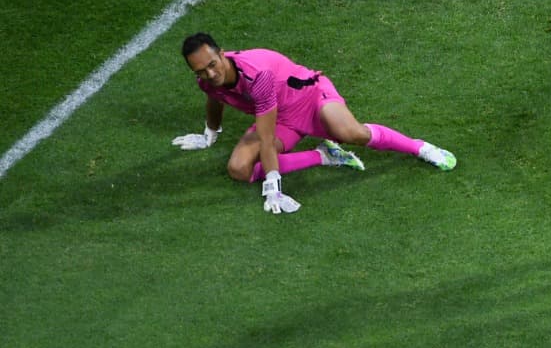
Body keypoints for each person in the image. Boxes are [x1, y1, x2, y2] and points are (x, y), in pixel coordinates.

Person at [174, 33, 455, 213]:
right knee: (238, 169)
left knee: (351, 132)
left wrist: (273, 183)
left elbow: (267, 136)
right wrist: (210, 133)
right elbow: (214, 97)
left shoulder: (256, 76)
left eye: (213, 64)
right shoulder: (208, 81)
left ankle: (420, 148)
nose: (210, 74)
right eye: (201, 71)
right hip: (282, 116)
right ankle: (325, 156)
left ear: (222, 54)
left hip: (310, 97)